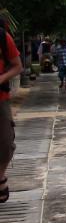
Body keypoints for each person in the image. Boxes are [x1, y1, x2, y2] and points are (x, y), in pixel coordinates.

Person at [0, 18, 21, 204]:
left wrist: (1, 79)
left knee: (6, 143)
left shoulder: (2, 37)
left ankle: (0, 176)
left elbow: (17, 66)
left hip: (0, 99)